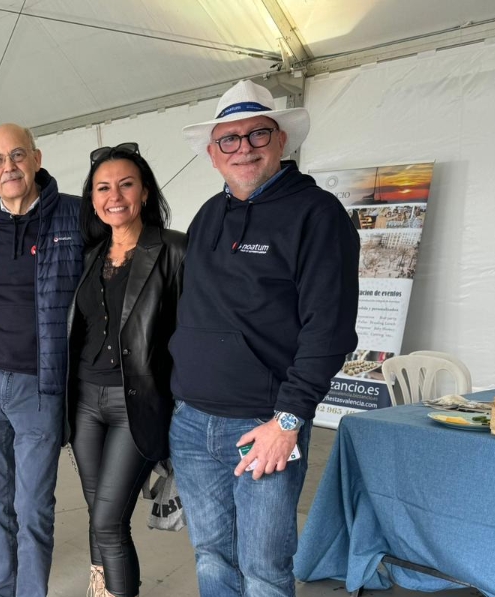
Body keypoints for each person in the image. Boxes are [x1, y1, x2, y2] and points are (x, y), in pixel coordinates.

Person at [170, 79, 359, 597]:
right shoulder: (209, 215)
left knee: (265, 571)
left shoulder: (317, 215)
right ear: (212, 154)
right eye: (229, 139)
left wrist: (289, 420)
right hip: (191, 424)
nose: (244, 148)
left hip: (265, 425)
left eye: (258, 134)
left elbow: (331, 330)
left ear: (281, 141)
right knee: (211, 558)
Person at [0, 123, 83, 597]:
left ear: (37, 158)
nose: (9, 167)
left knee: (34, 509)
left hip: (39, 386)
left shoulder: (74, 216)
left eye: (17, 156)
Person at [66, 143, 185, 597]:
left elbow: (191, 332)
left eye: (126, 184)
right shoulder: (89, 255)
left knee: (107, 521)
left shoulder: (174, 250)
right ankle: (103, 591)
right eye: (102, 187)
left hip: (136, 402)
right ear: (92, 198)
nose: (114, 195)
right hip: (84, 403)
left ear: (146, 192)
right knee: (99, 513)